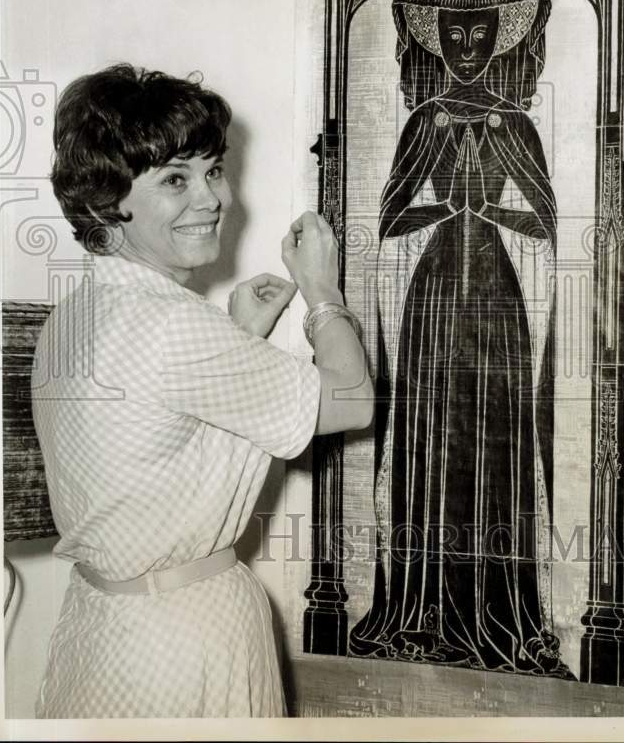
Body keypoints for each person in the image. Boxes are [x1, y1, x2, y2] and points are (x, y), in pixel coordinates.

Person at [31, 64, 373, 718]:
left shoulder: (71, 316)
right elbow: (352, 399)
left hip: (98, 630)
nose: (212, 197)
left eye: (213, 170)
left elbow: (150, 432)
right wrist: (324, 293)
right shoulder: (170, 324)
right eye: (175, 180)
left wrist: (241, 332)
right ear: (109, 201)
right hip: (185, 639)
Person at [349, 0, 573, 678]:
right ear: (436, 43)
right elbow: (389, 218)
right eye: (454, 37)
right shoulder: (423, 124)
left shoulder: (517, 125)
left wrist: (489, 213)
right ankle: (418, 607)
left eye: (480, 36)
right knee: (428, 432)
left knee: (494, 435)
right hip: (435, 295)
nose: (467, 49)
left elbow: (546, 221)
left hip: (496, 300)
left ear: (501, 42)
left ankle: (498, 610)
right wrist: (447, 215)